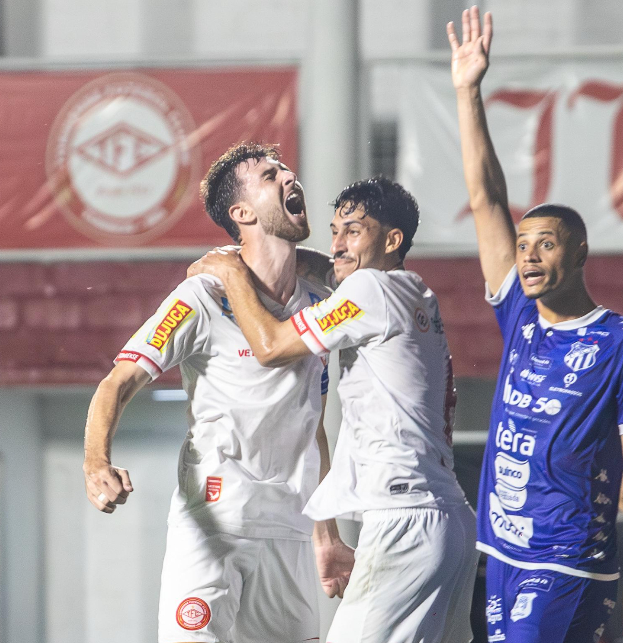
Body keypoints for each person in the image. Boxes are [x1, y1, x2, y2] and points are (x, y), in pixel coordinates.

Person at [449, 6, 623, 643]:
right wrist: (468, 91)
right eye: (522, 246)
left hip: (569, 560)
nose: (528, 257)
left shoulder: (622, 343)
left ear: (580, 253)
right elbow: (486, 197)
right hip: (503, 552)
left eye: (545, 244)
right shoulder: (518, 312)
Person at [82, 143, 354, 643]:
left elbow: (311, 426)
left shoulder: (322, 302)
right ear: (242, 213)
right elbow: (117, 381)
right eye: (271, 175)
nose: (290, 177)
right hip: (213, 523)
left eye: (288, 170)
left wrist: (326, 533)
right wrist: (96, 462)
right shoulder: (201, 297)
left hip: (290, 530)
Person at [188, 177, 477, 643]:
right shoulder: (414, 290)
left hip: (404, 521)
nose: (338, 244)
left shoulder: (369, 289)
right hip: (450, 522)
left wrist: (232, 272)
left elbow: (271, 346)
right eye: (334, 231)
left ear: (392, 240)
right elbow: (333, 267)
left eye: (354, 231)